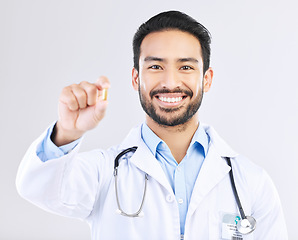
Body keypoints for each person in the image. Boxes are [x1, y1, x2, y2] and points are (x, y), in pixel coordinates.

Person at [16, 11, 288, 240]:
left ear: (207, 79)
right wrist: (67, 131)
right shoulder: (104, 173)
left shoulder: (250, 182)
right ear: (136, 78)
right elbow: (38, 188)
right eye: (156, 67)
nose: (170, 82)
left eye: (186, 67)